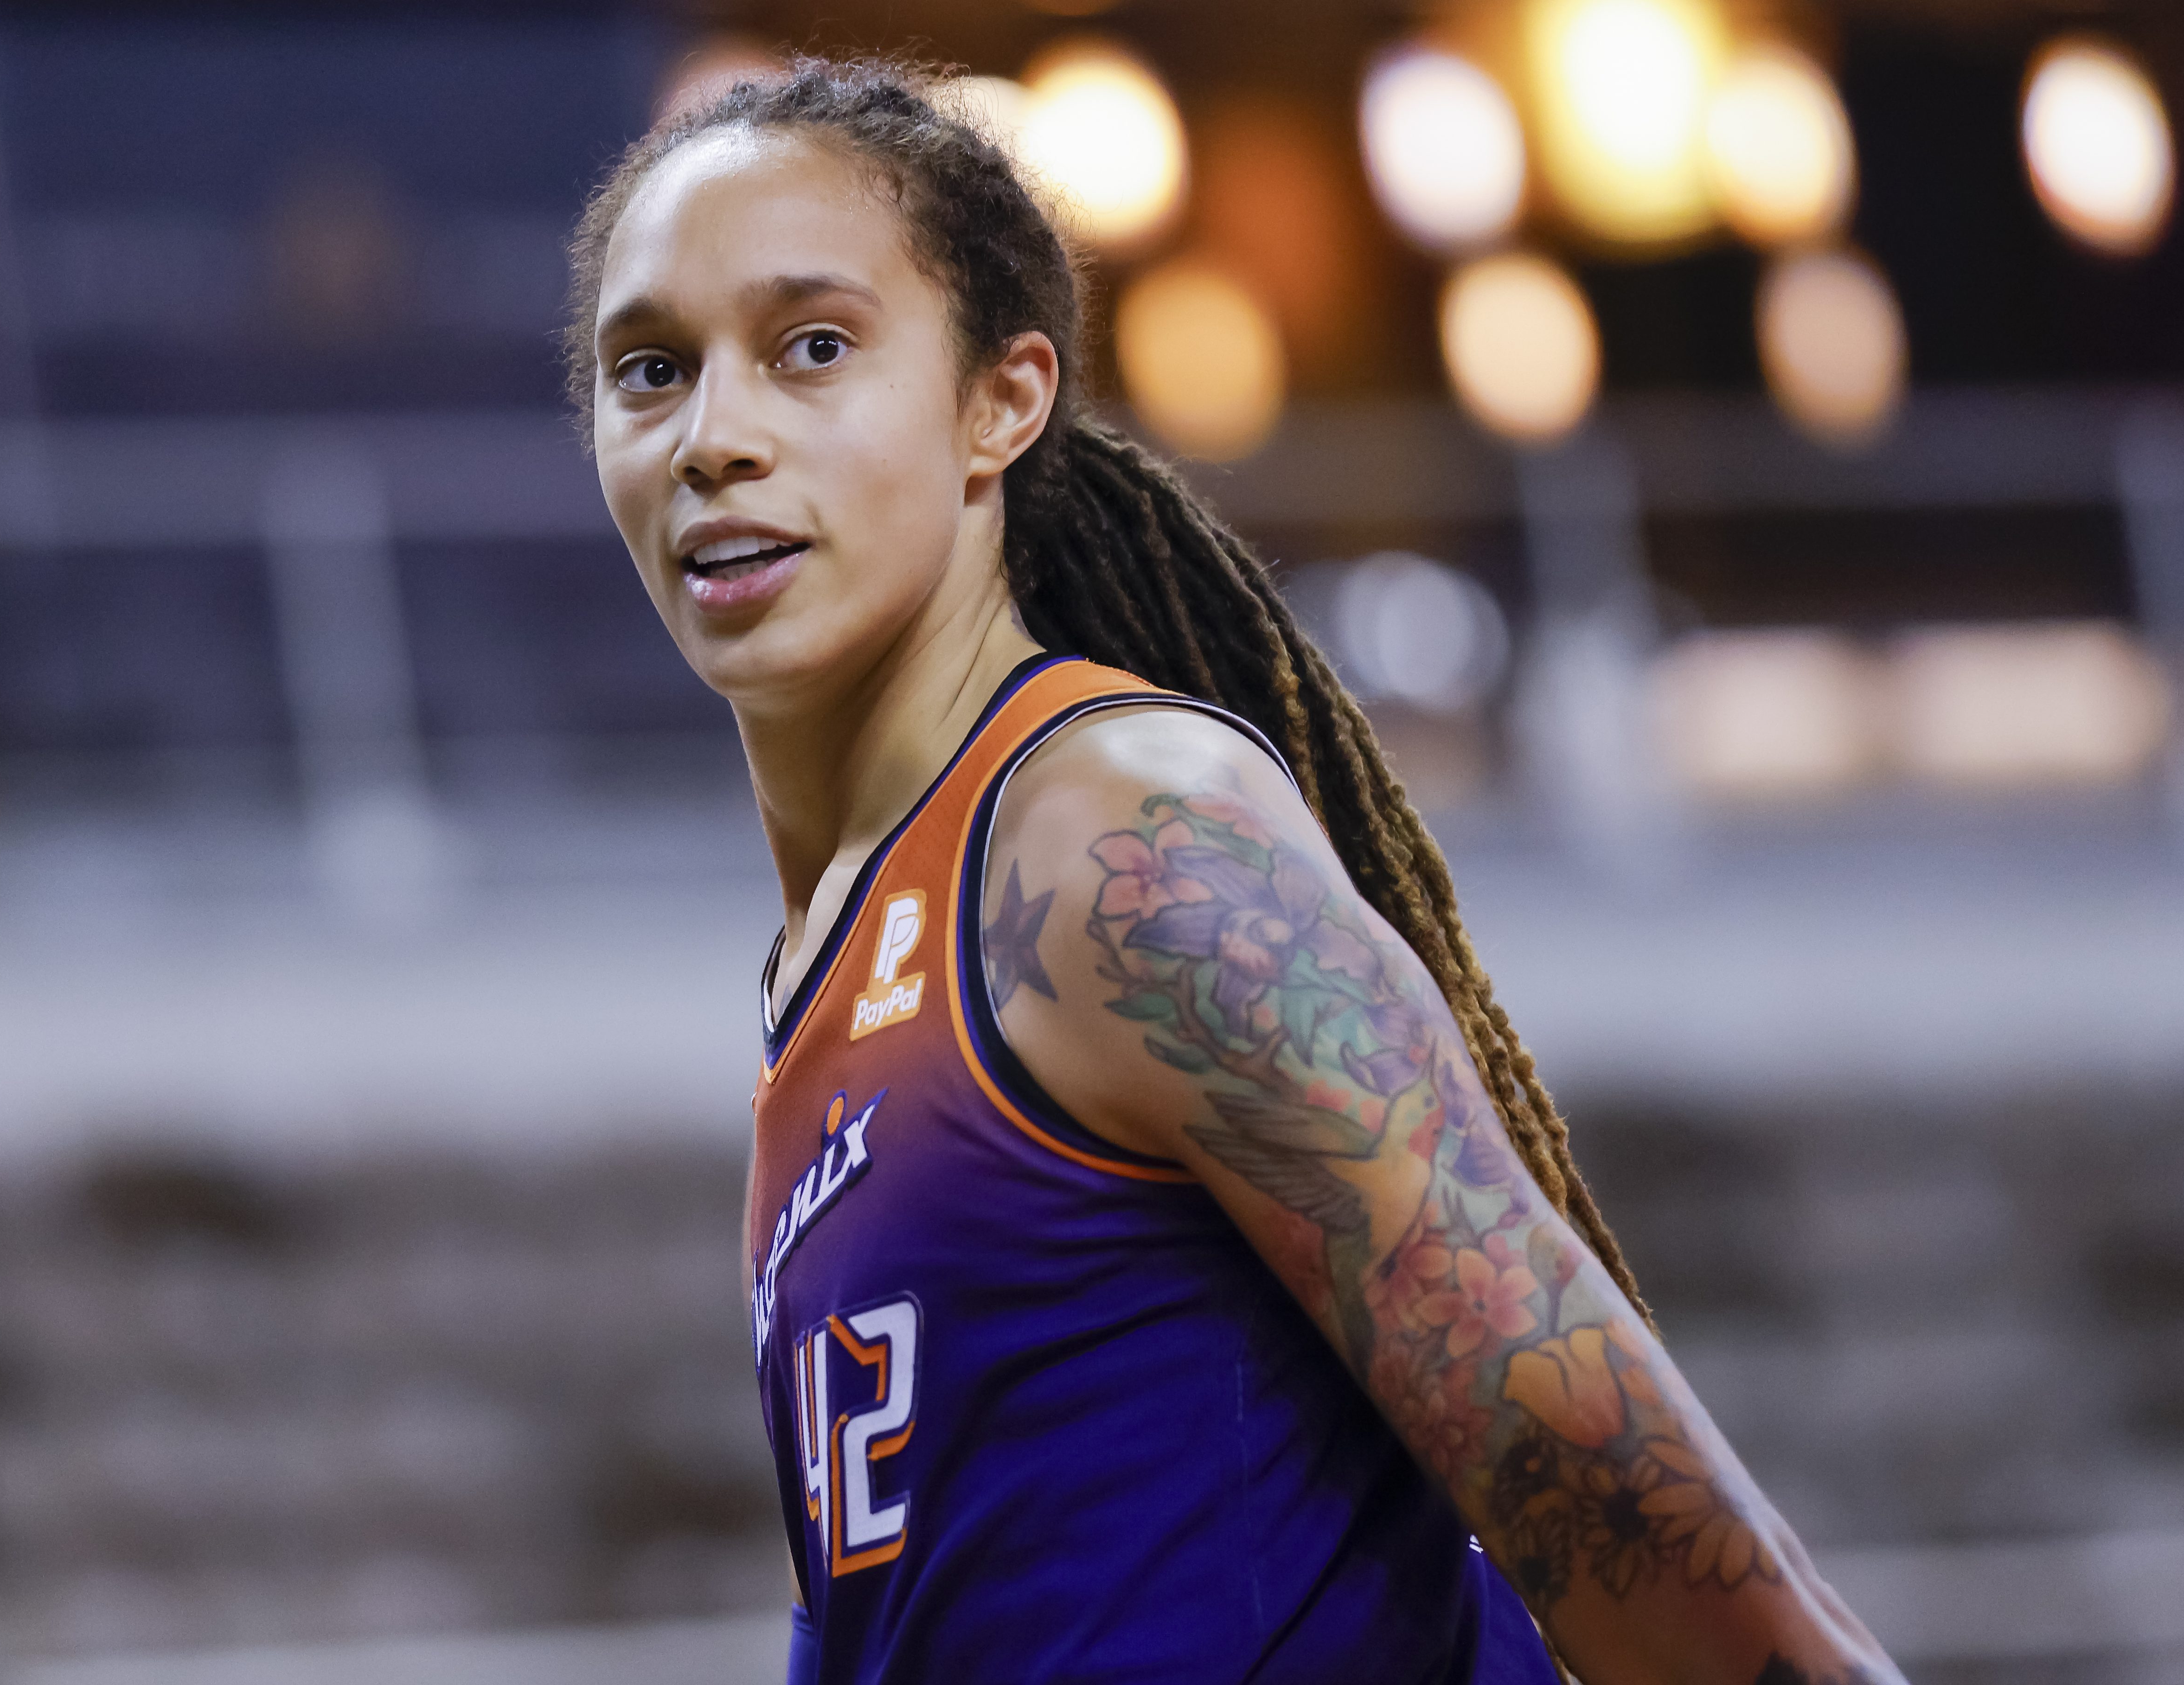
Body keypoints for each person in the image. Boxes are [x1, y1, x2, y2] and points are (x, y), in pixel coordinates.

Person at [568, 56, 1897, 1685]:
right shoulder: (831, 953)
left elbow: (1628, 1500)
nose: (714, 437)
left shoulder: (1113, 842)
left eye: (812, 349)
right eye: (650, 371)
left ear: (1002, 399)